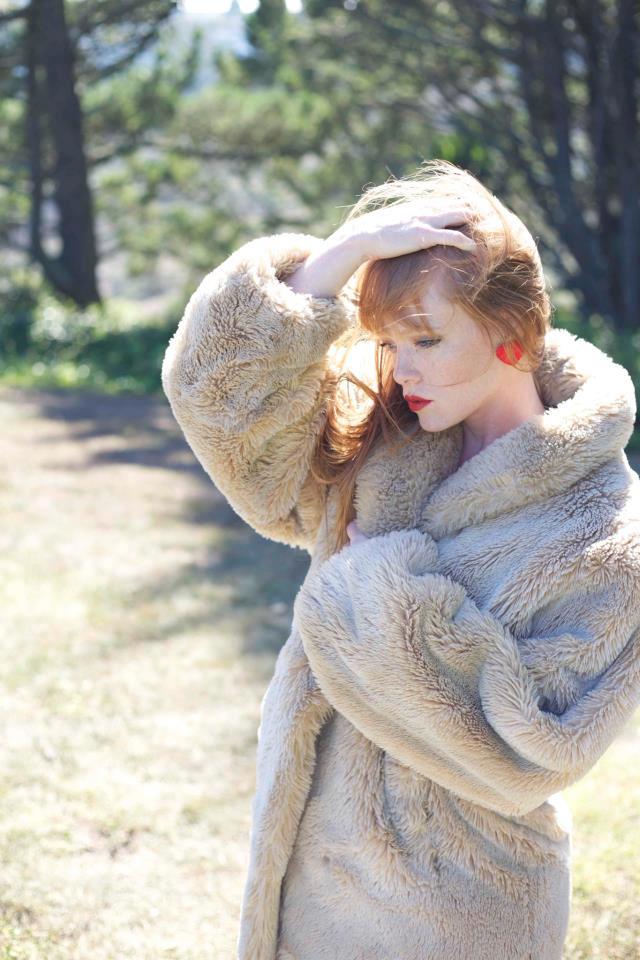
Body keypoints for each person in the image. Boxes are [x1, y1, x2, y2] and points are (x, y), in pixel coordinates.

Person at [161, 158, 640, 960]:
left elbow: (530, 752)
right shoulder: (386, 443)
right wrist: (336, 257)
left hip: (463, 906)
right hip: (312, 875)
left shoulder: (607, 527)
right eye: (388, 340)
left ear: (515, 335)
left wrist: (371, 589)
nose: (403, 366)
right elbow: (220, 405)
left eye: (426, 337)